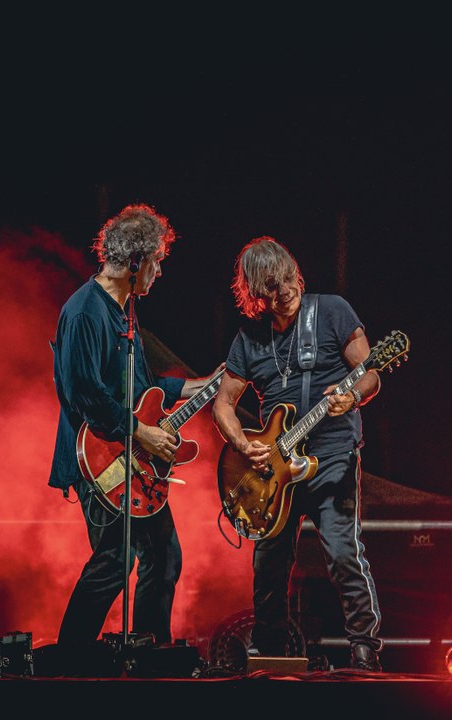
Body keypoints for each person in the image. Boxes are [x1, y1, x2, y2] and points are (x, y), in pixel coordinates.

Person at [49, 203, 218, 649]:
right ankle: (68, 658)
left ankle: (149, 652)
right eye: (157, 262)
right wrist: (142, 433)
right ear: (136, 261)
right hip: (101, 461)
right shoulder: (85, 312)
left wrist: (200, 385)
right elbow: (84, 393)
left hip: (132, 461)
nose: (159, 272)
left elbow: (142, 389)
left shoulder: (124, 311)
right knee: (114, 560)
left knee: (163, 556)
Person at [211, 236, 384, 671]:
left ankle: (364, 649)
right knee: (269, 565)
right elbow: (223, 404)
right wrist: (242, 444)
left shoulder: (332, 311)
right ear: (256, 295)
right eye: (272, 287)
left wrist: (352, 397)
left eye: (288, 279)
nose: (285, 291)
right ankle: (271, 654)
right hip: (273, 469)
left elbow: (369, 374)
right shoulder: (250, 338)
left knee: (342, 553)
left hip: (332, 456)